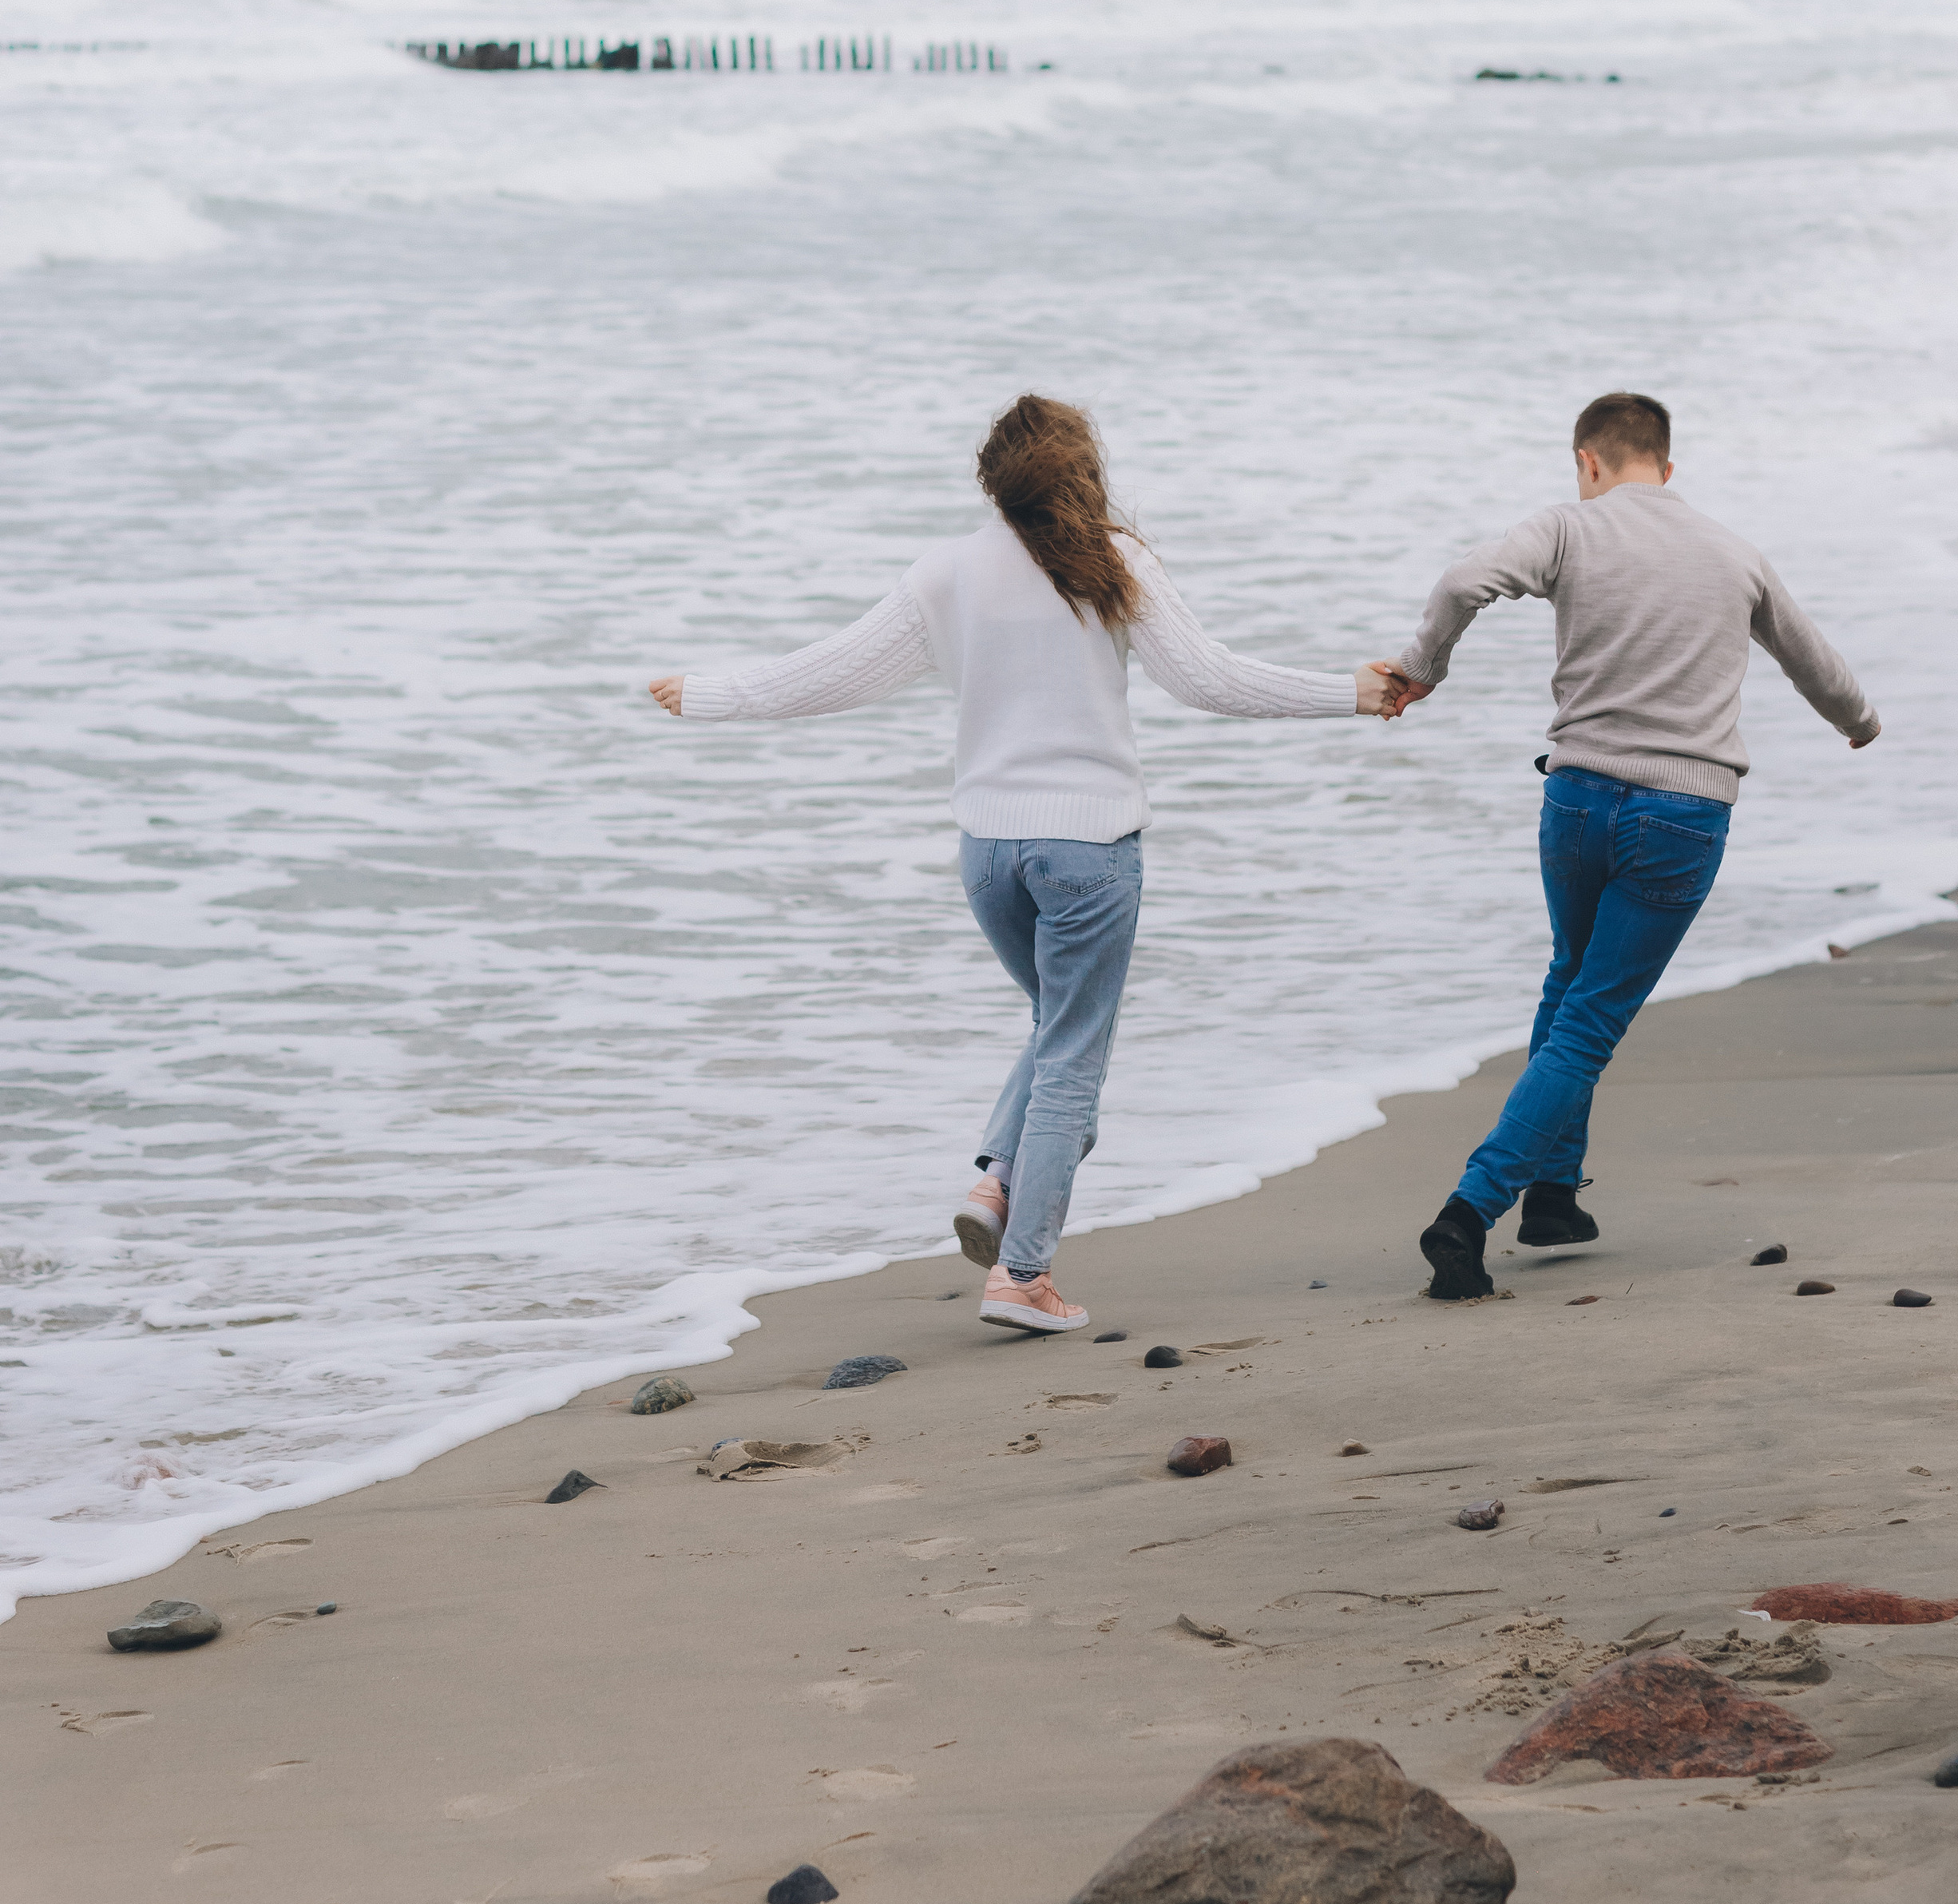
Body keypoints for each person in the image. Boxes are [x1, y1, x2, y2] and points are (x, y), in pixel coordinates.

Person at [650, 395, 1385, 1336]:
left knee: (1053, 1026)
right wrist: (1351, 695)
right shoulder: (1115, 563)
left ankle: (997, 1181)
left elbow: (828, 673)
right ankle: (1022, 1276)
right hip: (1087, 847)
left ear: (990, 479)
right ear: (1084, 471)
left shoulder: (946, 572)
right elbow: (1213, 681)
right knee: (1074, 1053)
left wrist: (707, 694)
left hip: (987, 852)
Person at [1373, 391, 1880, 1302]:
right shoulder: (1732, 552)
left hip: (1574, 800)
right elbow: (1813, 660)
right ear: (1667, 467)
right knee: (1591, 1019)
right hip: (1681, 814)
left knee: (1570, 983)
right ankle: (1469, 1210)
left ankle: (1554, 1197)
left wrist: (1422, 667)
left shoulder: (1569, 529)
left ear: (1588, 463)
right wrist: (1859, 722)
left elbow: (1460, 583)